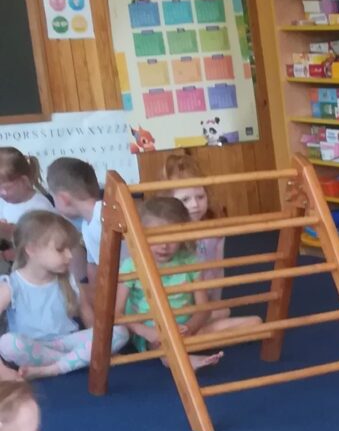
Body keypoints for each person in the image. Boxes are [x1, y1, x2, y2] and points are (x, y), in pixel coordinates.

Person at [116, 194, 260, 370]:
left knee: (255, 323)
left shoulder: (190, 262)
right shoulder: (132, 266)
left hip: (187, 329)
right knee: (164, 349)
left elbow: (203, 308)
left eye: (172, 237)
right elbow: (117, 313)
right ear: (141, 234)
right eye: (156, 237)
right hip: (156, 335)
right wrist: (147, 332)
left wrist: (190, 327)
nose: (164, 245)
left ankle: (186, 346)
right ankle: (186, 358)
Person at [0, 211, 125, 379]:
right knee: (8, 344)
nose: (69, 255)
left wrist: (101, 342)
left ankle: (53, 368)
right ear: (31, 249)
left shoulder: (69, 280)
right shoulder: (11, 285)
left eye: (69, 249)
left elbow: (90, 320)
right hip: (32, 346)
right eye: (60, 250)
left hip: (67, 342)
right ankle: (78, 360)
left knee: (119, 332)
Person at [160, 150, 226, 305]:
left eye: (200, 197)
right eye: (185, 199)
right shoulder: (168, 235)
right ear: (170, 201)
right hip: (180, 301)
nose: (195, 205)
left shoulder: (215, 232)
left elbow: (219, 270)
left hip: (208, 296)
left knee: (223, 311)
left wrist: (216, 302)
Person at [44, 156, 105, 289]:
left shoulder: (104, 214)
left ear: (63, 199)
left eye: (53, 198)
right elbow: (93, 264)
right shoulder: (86, 225)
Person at [0, 147, 53, 269]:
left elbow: (41, 249)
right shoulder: (4, 201)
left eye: (5, 188)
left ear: (23, 180)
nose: (1, 193)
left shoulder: (40, 207)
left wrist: (5, 255)